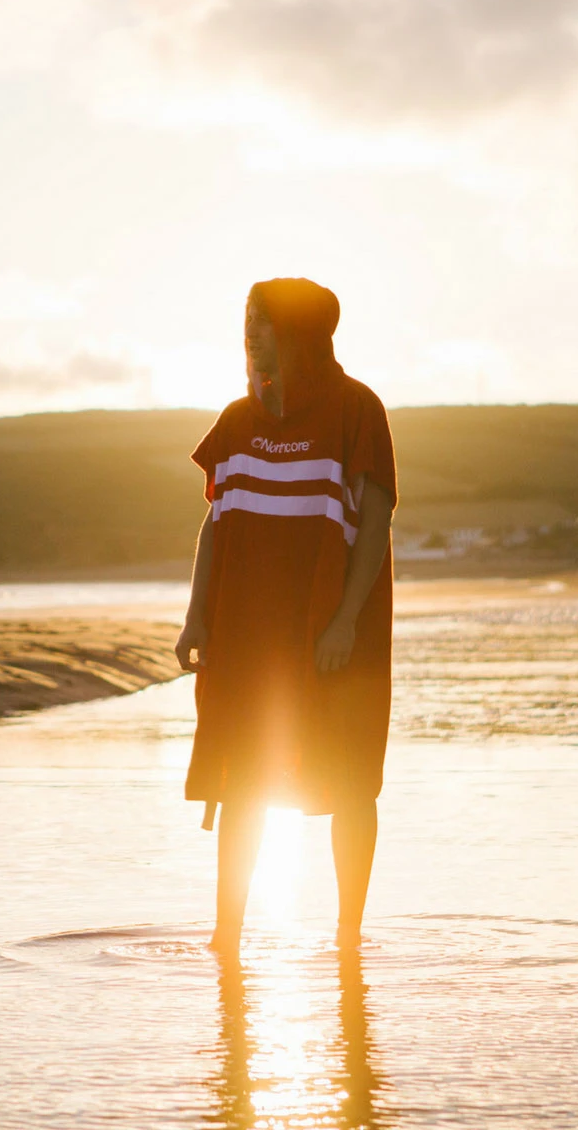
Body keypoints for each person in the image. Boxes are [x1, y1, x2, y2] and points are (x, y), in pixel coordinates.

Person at [175, 277, 397, 955]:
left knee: (352, 781)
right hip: (248, 637)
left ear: (299, 331)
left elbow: (377, 521)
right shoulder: (239, 420)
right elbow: (217, 523)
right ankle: (227, 934)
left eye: (261, 320)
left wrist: (345, 623)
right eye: (247, 319)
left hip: (335, 637)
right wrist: (195, 615)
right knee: (241, 781)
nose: (250, 331)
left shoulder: (357, 410)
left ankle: (349, 939)